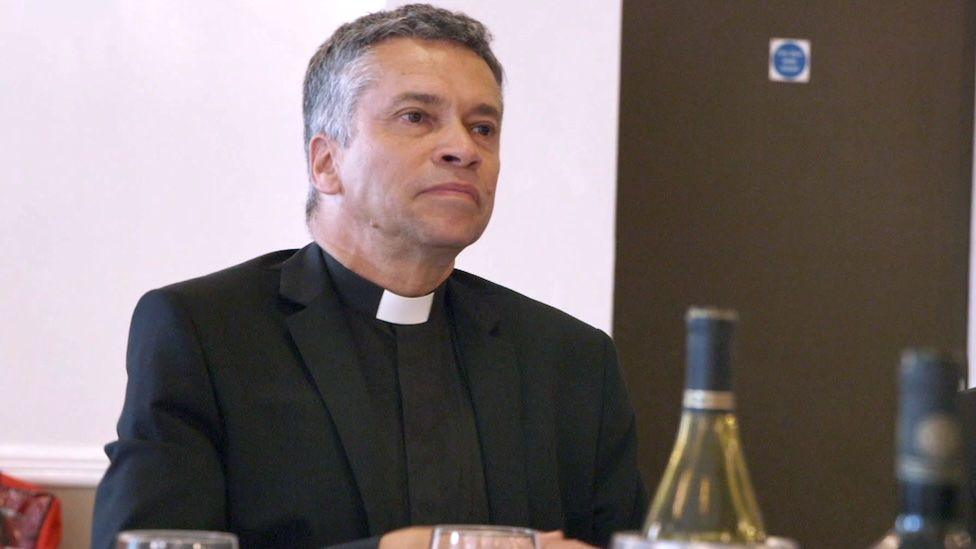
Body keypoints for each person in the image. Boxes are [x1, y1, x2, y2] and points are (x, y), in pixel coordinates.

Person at [91, 4, 646, 548]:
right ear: (326, 163)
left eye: (483, 127)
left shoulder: (572, 361)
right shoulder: (207, 333)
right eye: (417, 117)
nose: (463, 148)